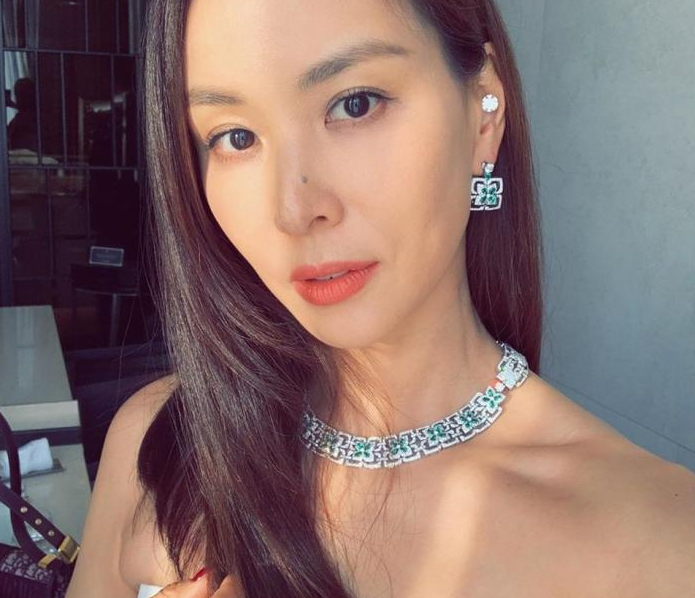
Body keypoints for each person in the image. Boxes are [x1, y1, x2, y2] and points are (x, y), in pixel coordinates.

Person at [65, 0, 695, 597]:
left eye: (355, 103)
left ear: (484, 112)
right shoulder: (160, 440)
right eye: (235, 137)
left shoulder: (661, 546)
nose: (293, 209)